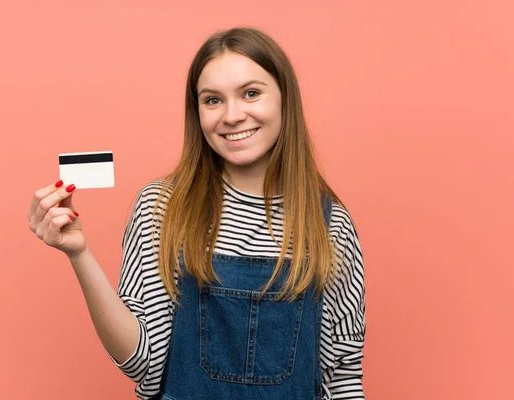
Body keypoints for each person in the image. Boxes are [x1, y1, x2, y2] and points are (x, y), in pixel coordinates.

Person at [27, 27, 365, 400]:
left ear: (285, 99)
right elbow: (143, 363)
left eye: (251, 93)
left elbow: (343, 377)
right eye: (213, 100)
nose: (233, 115)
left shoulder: (328, 225)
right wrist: (80, 254)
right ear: (197, 111)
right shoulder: (164, 208)